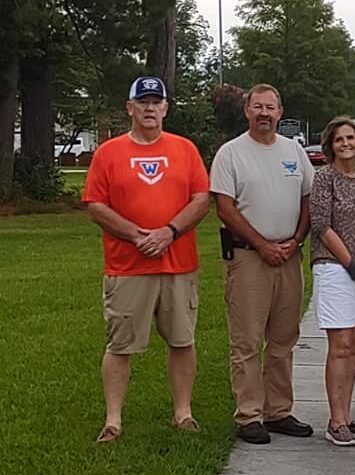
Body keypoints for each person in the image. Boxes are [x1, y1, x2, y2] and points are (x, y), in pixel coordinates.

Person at [83, 76, 210, 443]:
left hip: (178, 264)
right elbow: (95, 204)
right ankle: (113, 420)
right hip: (128, 265)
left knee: (182, 340)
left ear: (166, 108)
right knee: (120, 345)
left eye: (157, 102)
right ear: (130, 108)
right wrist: (138, 235)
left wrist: (168, 232)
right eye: (143, 102)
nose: (150, 108)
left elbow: (201, 200)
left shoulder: (185, 150)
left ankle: (183, 413)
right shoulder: (108, 153)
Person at [209, 83, 315, 444]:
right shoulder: (231, 154)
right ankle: (249, 415)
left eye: (270, 107)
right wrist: (262, 245)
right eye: (258, 107)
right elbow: (224, 208)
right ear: (247, 111)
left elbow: (307, 199)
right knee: (247, 341)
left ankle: (279, 411)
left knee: (284, 339)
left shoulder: (294, 151)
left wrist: (296, 241)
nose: (264, 113)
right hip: (248, 258)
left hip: (288, 257)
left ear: (280, 112)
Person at [309, 116, 355, 446]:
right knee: (339, 346)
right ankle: (335, 420)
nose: (345, 144)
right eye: (339, 139)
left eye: (350, 139)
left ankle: (348, 416)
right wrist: (350, 262)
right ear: (331, 144)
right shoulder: (324, 178)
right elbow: (321, 225)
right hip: (335, 268)